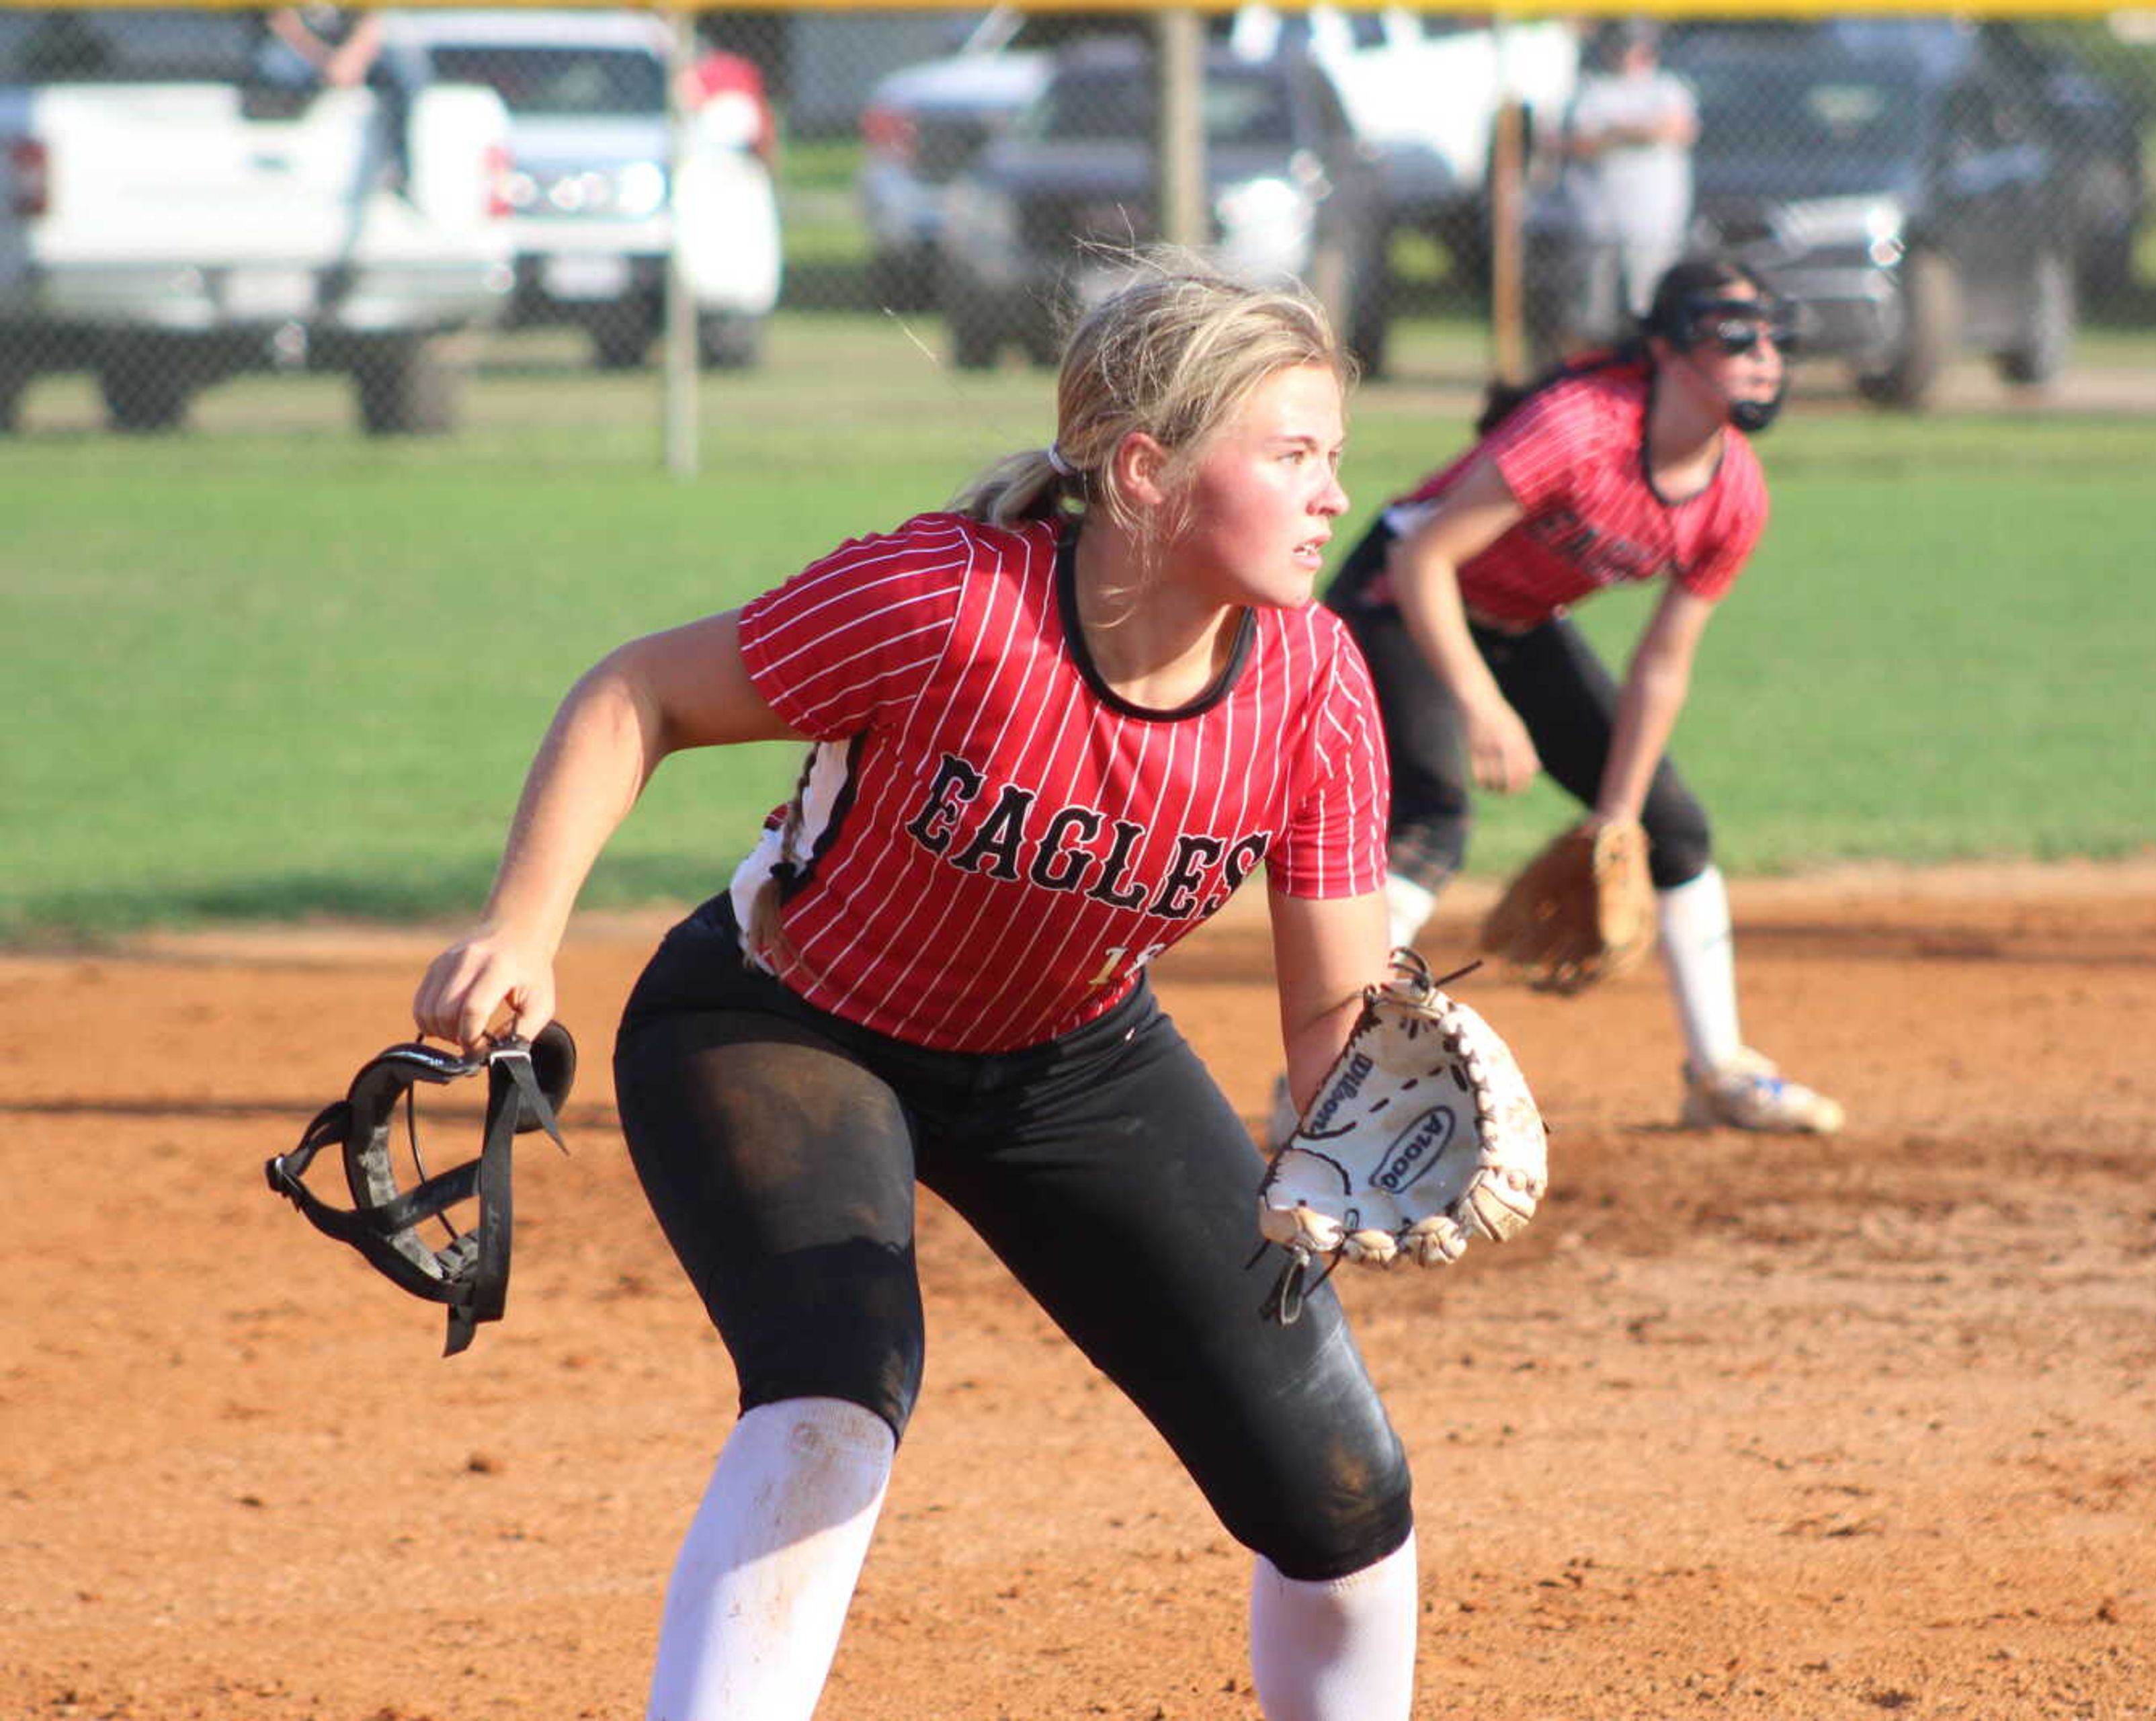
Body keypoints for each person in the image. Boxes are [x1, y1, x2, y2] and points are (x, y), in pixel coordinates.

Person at [409, 261, 1421, 1719]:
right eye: (1292, 453)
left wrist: (1376, 1123)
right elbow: (644, 691)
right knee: (837, 1381)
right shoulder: (945, 602)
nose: (1333, 494)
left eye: (1336, 455)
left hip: (1075, 1062)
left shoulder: (1317, 687)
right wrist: (521, 925)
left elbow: (1333, 1010)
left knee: (1343, 1497)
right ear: (1144, 469)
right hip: (784, 1018)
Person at [1322, 254, 1843, 1137]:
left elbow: (1662, 664)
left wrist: (1619, 812)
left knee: (1673, 832)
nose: (1765, 358)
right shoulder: (1580, 427)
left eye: (1774, 340)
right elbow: (1423, 559)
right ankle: (1323, 1086)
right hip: (1394, 603)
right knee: (1432, 818)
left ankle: (1718, 1072)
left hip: (1520, 623)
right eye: (1736, 336)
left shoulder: (1735, 494)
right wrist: (1484, 707)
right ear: (1671, 348)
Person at [1557, 18, 1700, 347]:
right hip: (1599, 217)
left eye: (1638, 48)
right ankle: (1590, 374)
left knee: (1648, 300)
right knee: (1593, 311)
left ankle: (1645, 369)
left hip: (1653, 216)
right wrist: (1642, 131)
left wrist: (1615, 132)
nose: (1630, 55)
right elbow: (1581, 144)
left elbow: (1678, 130)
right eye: (1622, 47)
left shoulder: (1668, 88)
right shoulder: (1594, 90)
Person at [259, 4, 423, 198]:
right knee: (280, 66)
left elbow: (371, 21)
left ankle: (396, 170)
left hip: (345, 51)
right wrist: (326, 61)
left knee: (404, 69)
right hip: (302, 52)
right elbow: (281, 21)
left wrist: (351, 59)